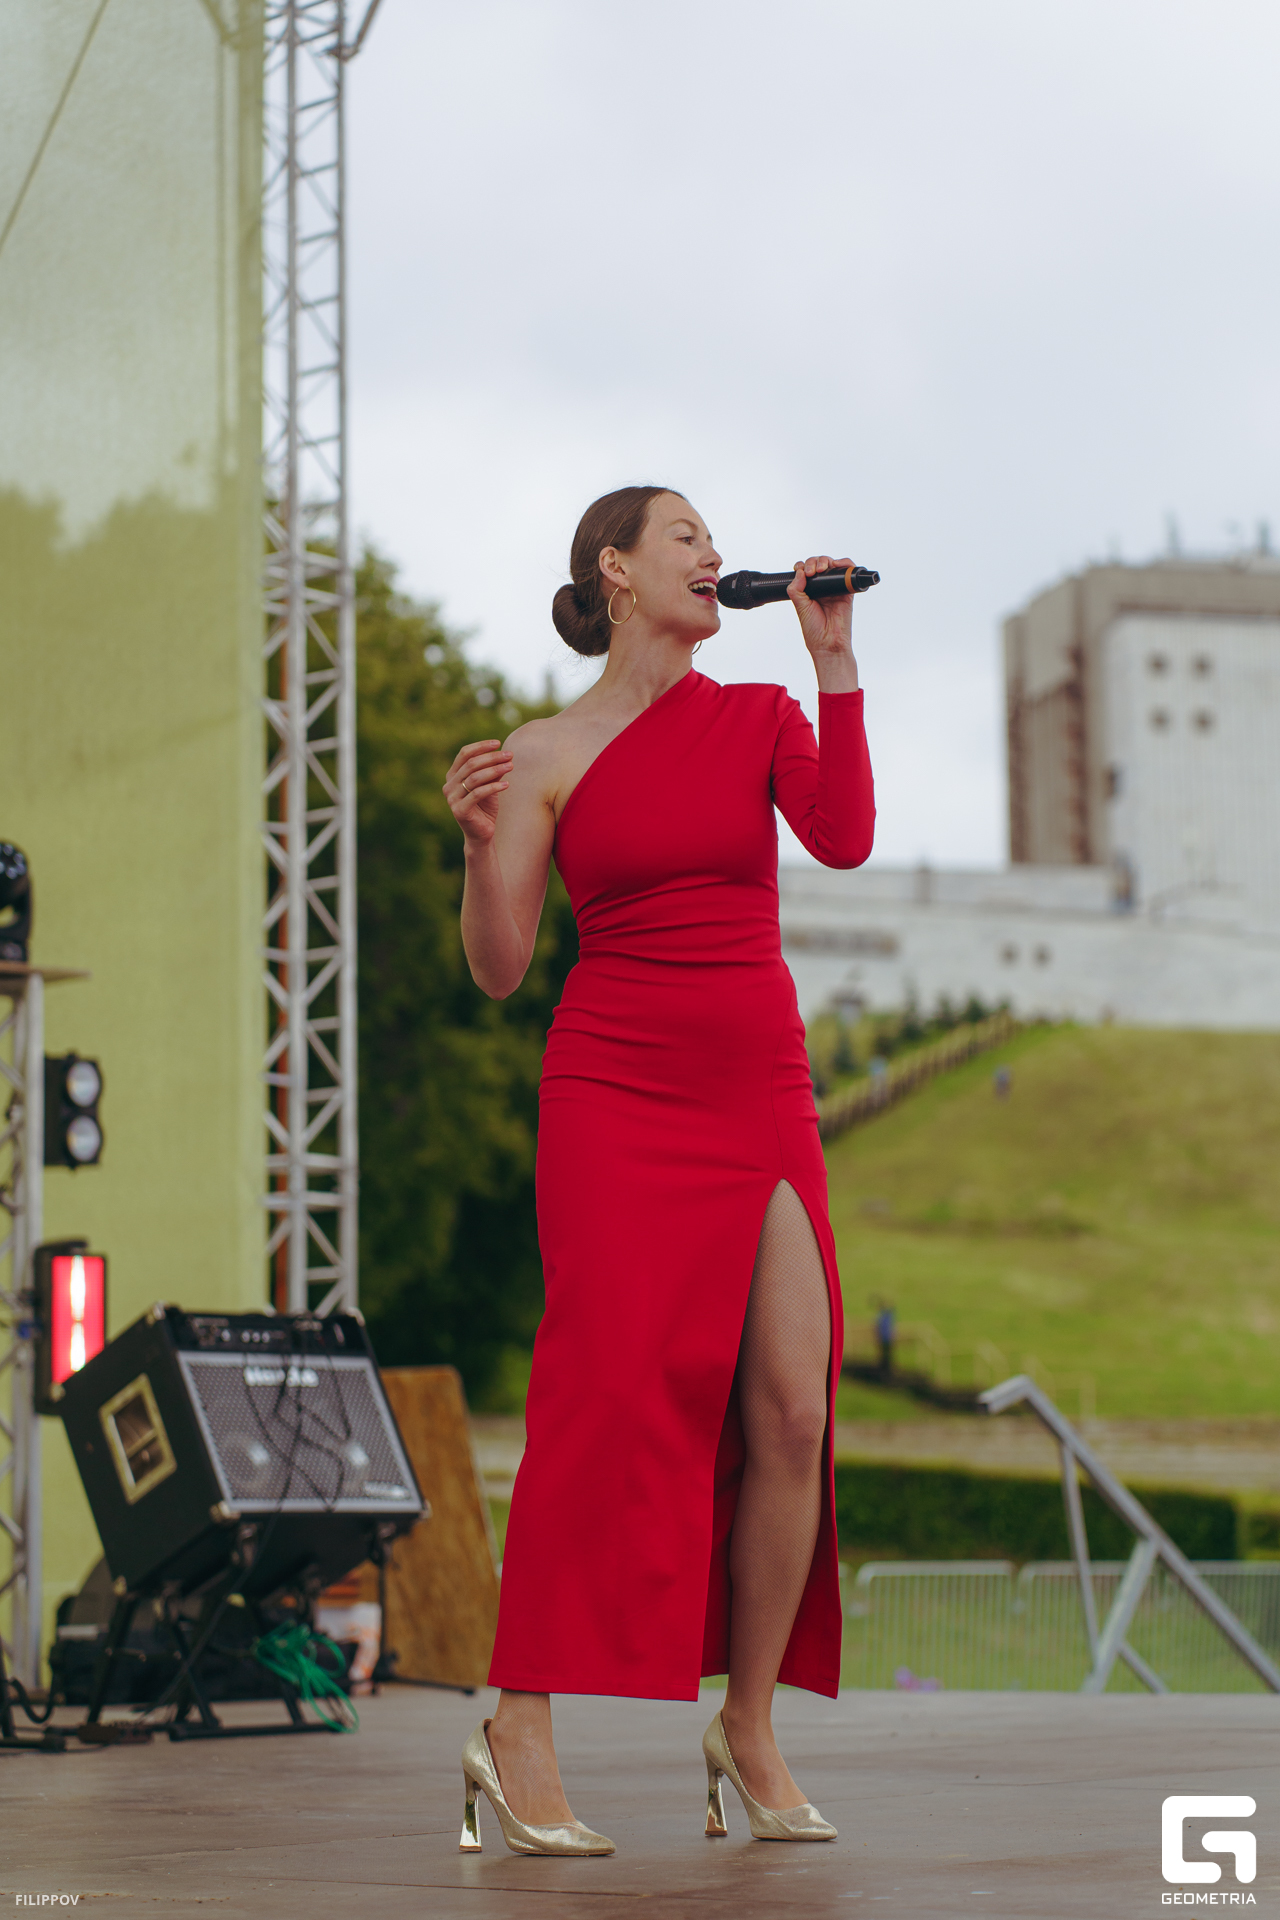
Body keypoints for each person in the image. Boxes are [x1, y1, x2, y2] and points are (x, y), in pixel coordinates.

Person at [444, 486, 875, 1856]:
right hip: (614, 1090)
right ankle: (516, 1730)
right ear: (617, 571)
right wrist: (478, 849)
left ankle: (747, 1726)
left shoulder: (759, 715)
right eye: (684, 535)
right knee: (601, 1396)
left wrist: (833, 663)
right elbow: (500, 966)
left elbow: (845, 836)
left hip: (758, 1084)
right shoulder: (541, 753)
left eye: (712, 539)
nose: (712, 553)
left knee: (794, 1410)